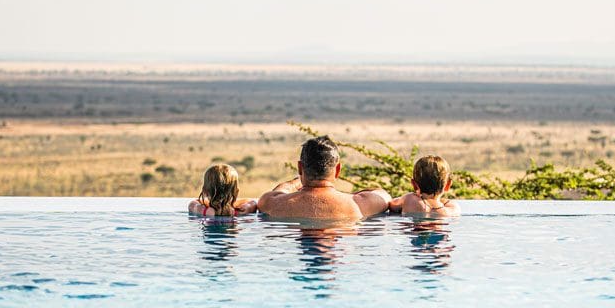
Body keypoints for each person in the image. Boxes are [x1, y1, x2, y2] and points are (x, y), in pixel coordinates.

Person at [257, 135, 391, 219]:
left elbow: (276, 193)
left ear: (299, 168)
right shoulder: (358, 204)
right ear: (337, 170)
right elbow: (384, 196)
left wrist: (295, 183)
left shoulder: (274, 203)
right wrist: (345, 195)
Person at [389, 155, 460, 217]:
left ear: (414, 185)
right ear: (448, 185)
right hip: (439, 232)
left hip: (416, 231)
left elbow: (391, 204)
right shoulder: (450, 209)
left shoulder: (410, 199)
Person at [188, 164, 258, 217]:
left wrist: (212, 203)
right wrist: (230, 204)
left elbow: (192, 203)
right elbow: (252, 202)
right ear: (236, 192)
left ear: (205, 191)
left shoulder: (201, 210)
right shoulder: (241, 211)